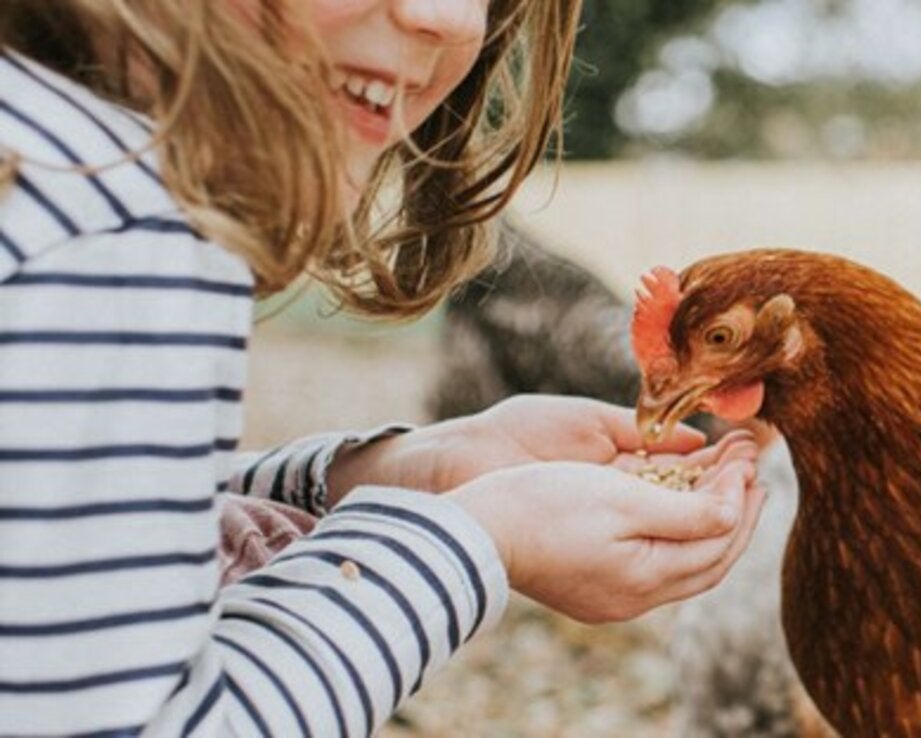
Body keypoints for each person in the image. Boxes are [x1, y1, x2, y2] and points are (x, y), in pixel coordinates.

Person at [0, 1, 766, 735]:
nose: (453, 15)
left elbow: (54, 552)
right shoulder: (116, 234)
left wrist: (400, 478)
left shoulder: (42, 163)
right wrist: (480, 540)